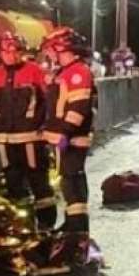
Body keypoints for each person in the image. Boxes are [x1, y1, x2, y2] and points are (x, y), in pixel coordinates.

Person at [0, 32, 56, 230]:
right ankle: (24, 227)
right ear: (0, 53)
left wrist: (48, 128)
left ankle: (46, 225)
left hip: (31, 138)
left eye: (16, 51)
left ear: (22, 52)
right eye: (7, 51)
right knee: (13, 184)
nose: (11, 55)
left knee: (39, 181)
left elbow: (50, 101)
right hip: (3, 140)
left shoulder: (35, 71)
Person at [41, 27, 97, 256]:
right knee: (68, 181)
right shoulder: (65, 72)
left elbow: (78, 107)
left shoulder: (77, 72)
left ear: (62, 49)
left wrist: (65, 132)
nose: (49, 54)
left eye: (52, 50)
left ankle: (78, 231)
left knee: (72, 182)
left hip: (73, 138)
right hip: (66, 137)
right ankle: (73, 225)